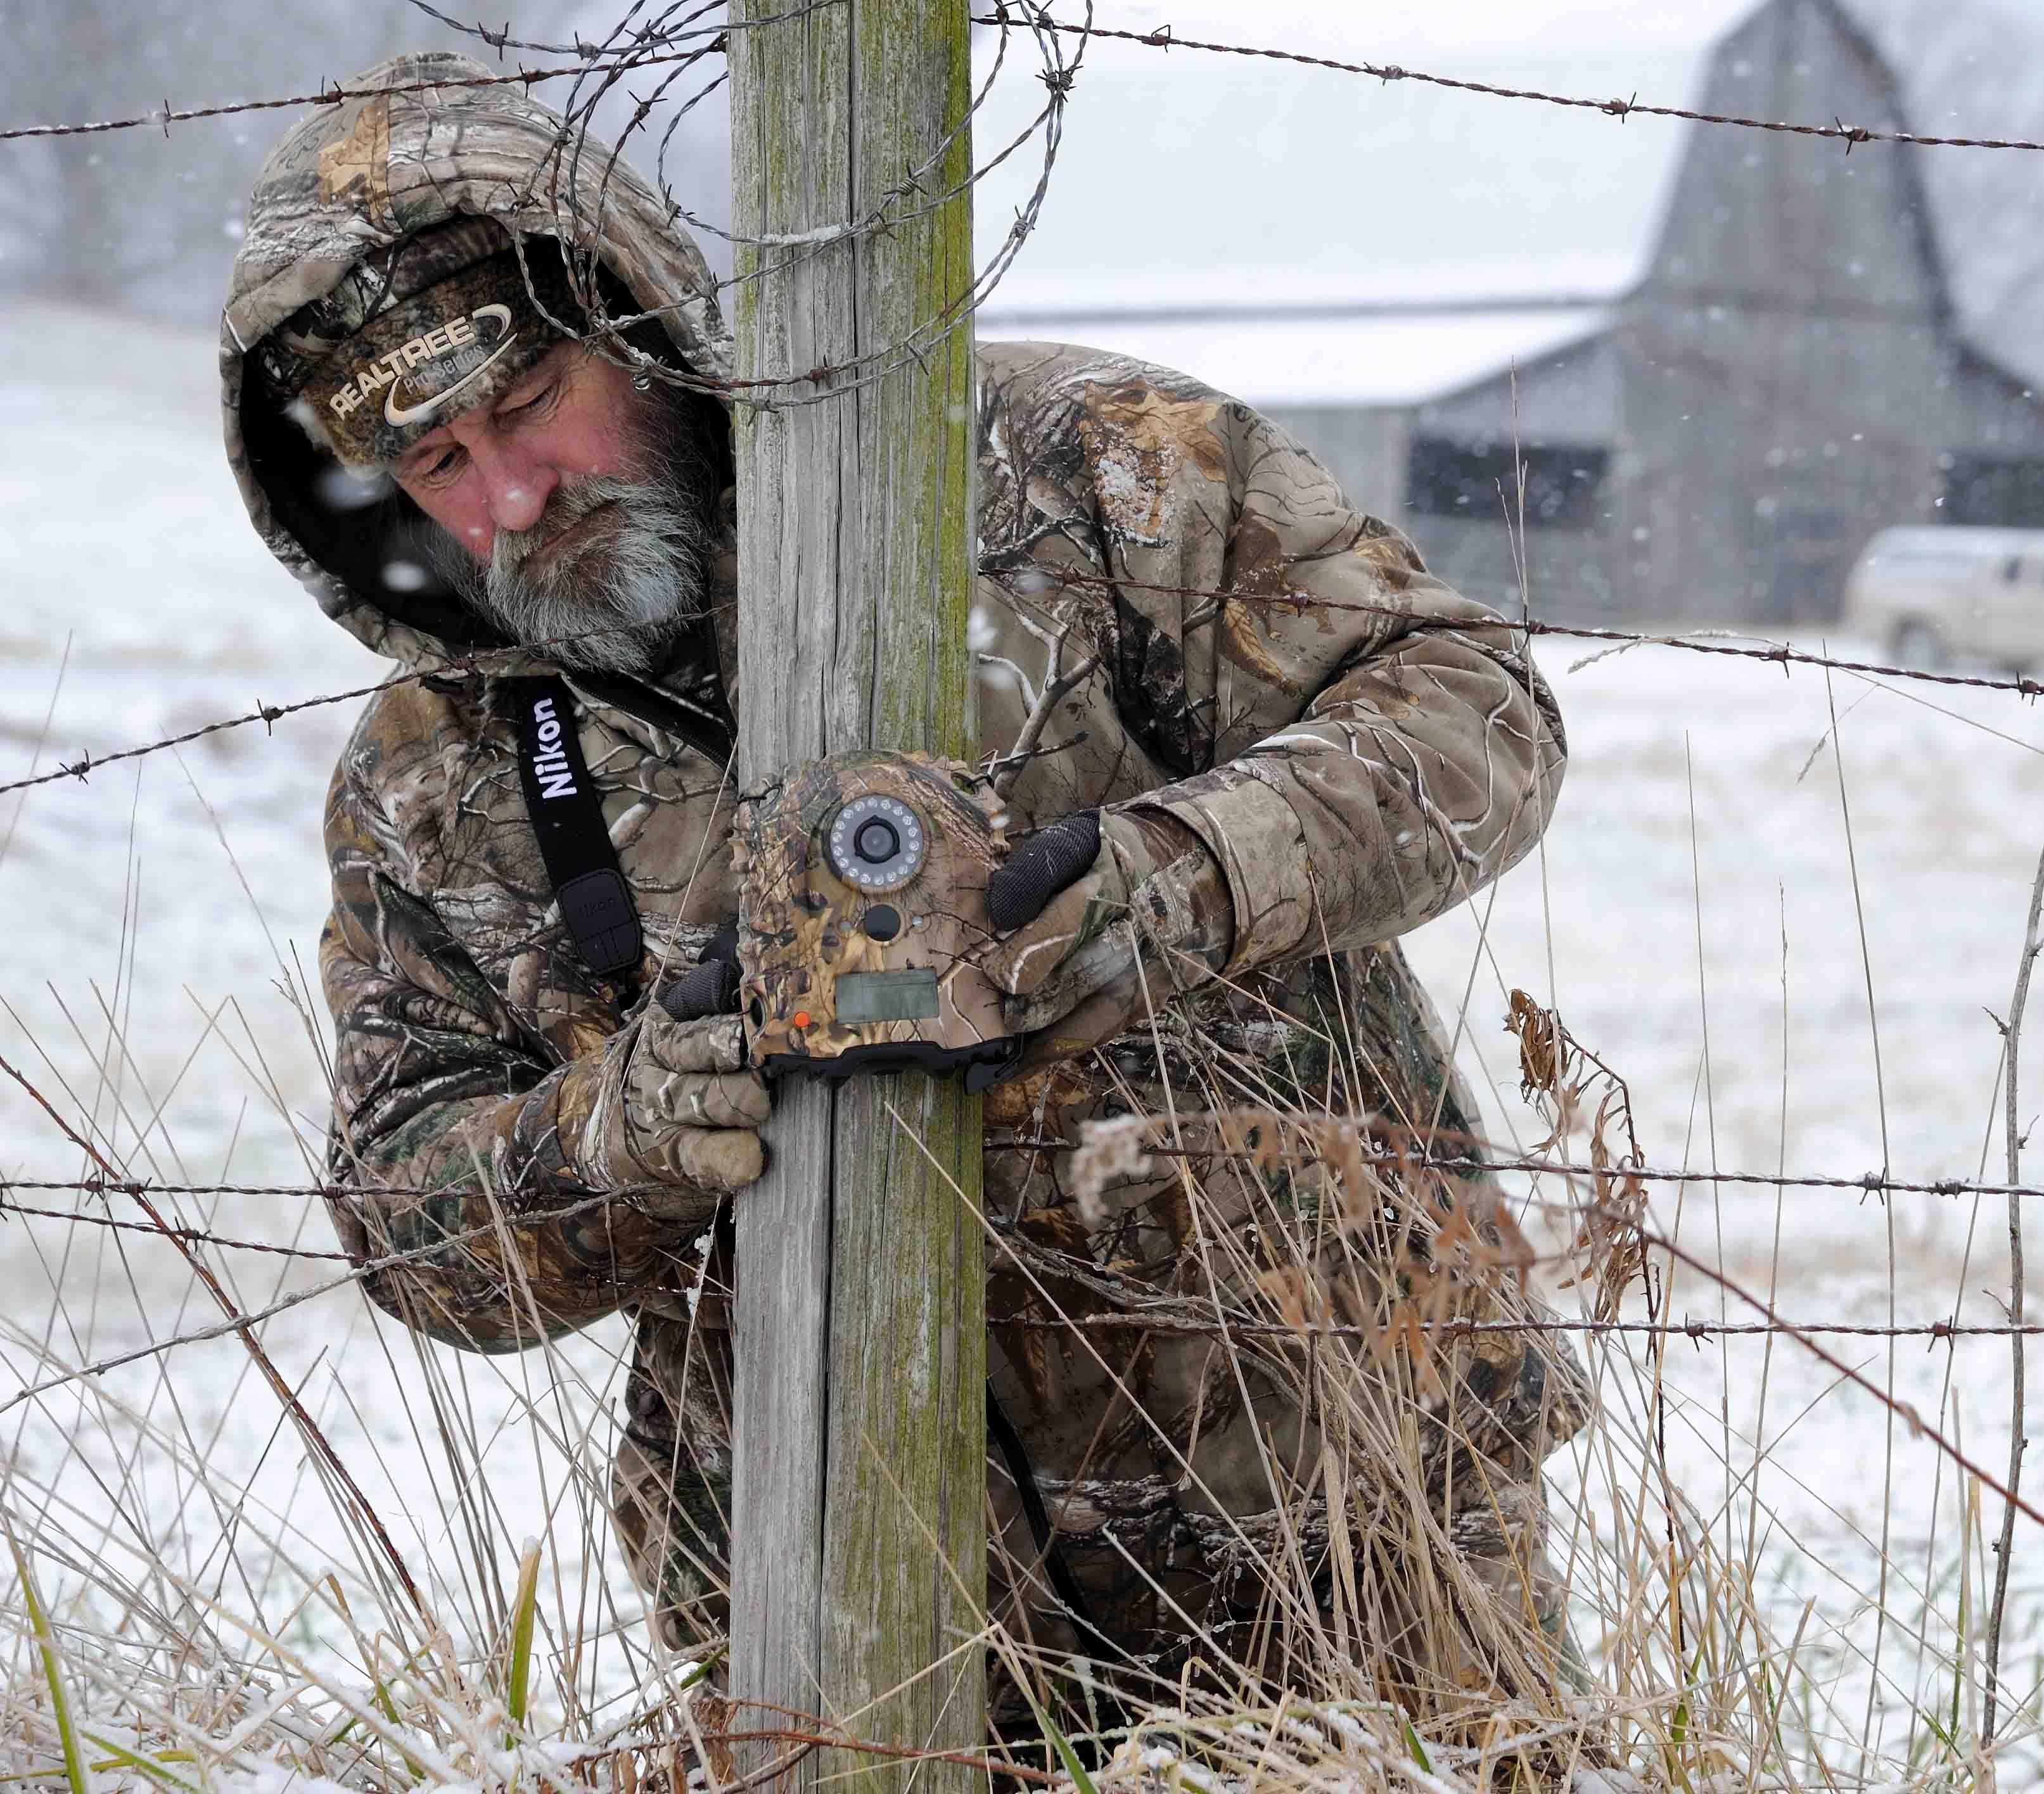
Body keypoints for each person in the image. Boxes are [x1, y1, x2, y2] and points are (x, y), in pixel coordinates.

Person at [223, 51, 1592, 1730]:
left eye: (523, 411)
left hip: (1346, 1495)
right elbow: (412, 1228)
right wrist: (621, 1136)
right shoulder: (441, 775)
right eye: (436, 465)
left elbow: (1471, 713)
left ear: (640, 319)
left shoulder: (1066, 470)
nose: (509, 499)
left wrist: (1183, 878)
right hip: (851, 1608)